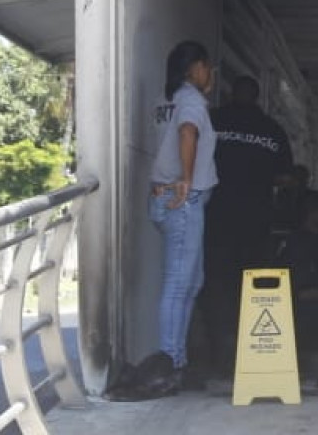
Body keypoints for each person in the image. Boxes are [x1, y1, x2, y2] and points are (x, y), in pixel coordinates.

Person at [202, 74, 294, 371]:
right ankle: (248, 353)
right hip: (256, 220)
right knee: (252, 286)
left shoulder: (213, 120)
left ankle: (218, 353)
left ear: (231, 93)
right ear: (257, 97)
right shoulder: (272, 130)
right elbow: (285, 177)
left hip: (216, 217)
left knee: (216, 284)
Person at [144, 39, 218, 391]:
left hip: (166, 198)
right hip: (183, 202)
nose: (211, 73)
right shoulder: (190, 100)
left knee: (191, 281)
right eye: (207, 66)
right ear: (195, 68)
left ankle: (177, 361)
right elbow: (188, 133)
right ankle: (170, 363)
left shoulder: (166, 99)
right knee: (178, 284)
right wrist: (187, 180)